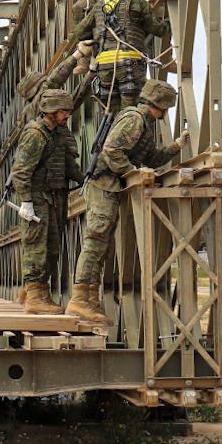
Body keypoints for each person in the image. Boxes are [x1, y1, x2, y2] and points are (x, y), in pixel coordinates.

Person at [65, 78, 187, 327]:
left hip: (111, 186)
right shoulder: (135, 119)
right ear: (160, 105)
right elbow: (111, 151)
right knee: (96, 241)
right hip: (103, 185)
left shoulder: (145, 123)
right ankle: (79, 299)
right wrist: (133, 172)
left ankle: (88, 299)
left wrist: (176, 147)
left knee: (103, 245)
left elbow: (151, 158)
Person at [9, 88, 87, 314]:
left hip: (55, 197)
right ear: (51, 111)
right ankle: (35, 297)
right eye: (63, 111)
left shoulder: (58, 133)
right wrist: (26, 201)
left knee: (53, 249)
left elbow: (68, 166)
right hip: (37, 198)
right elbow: (21, 171)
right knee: (36, 248)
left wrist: (87, 178)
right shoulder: (35, 134)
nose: (67, 115)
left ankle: (37, 293)